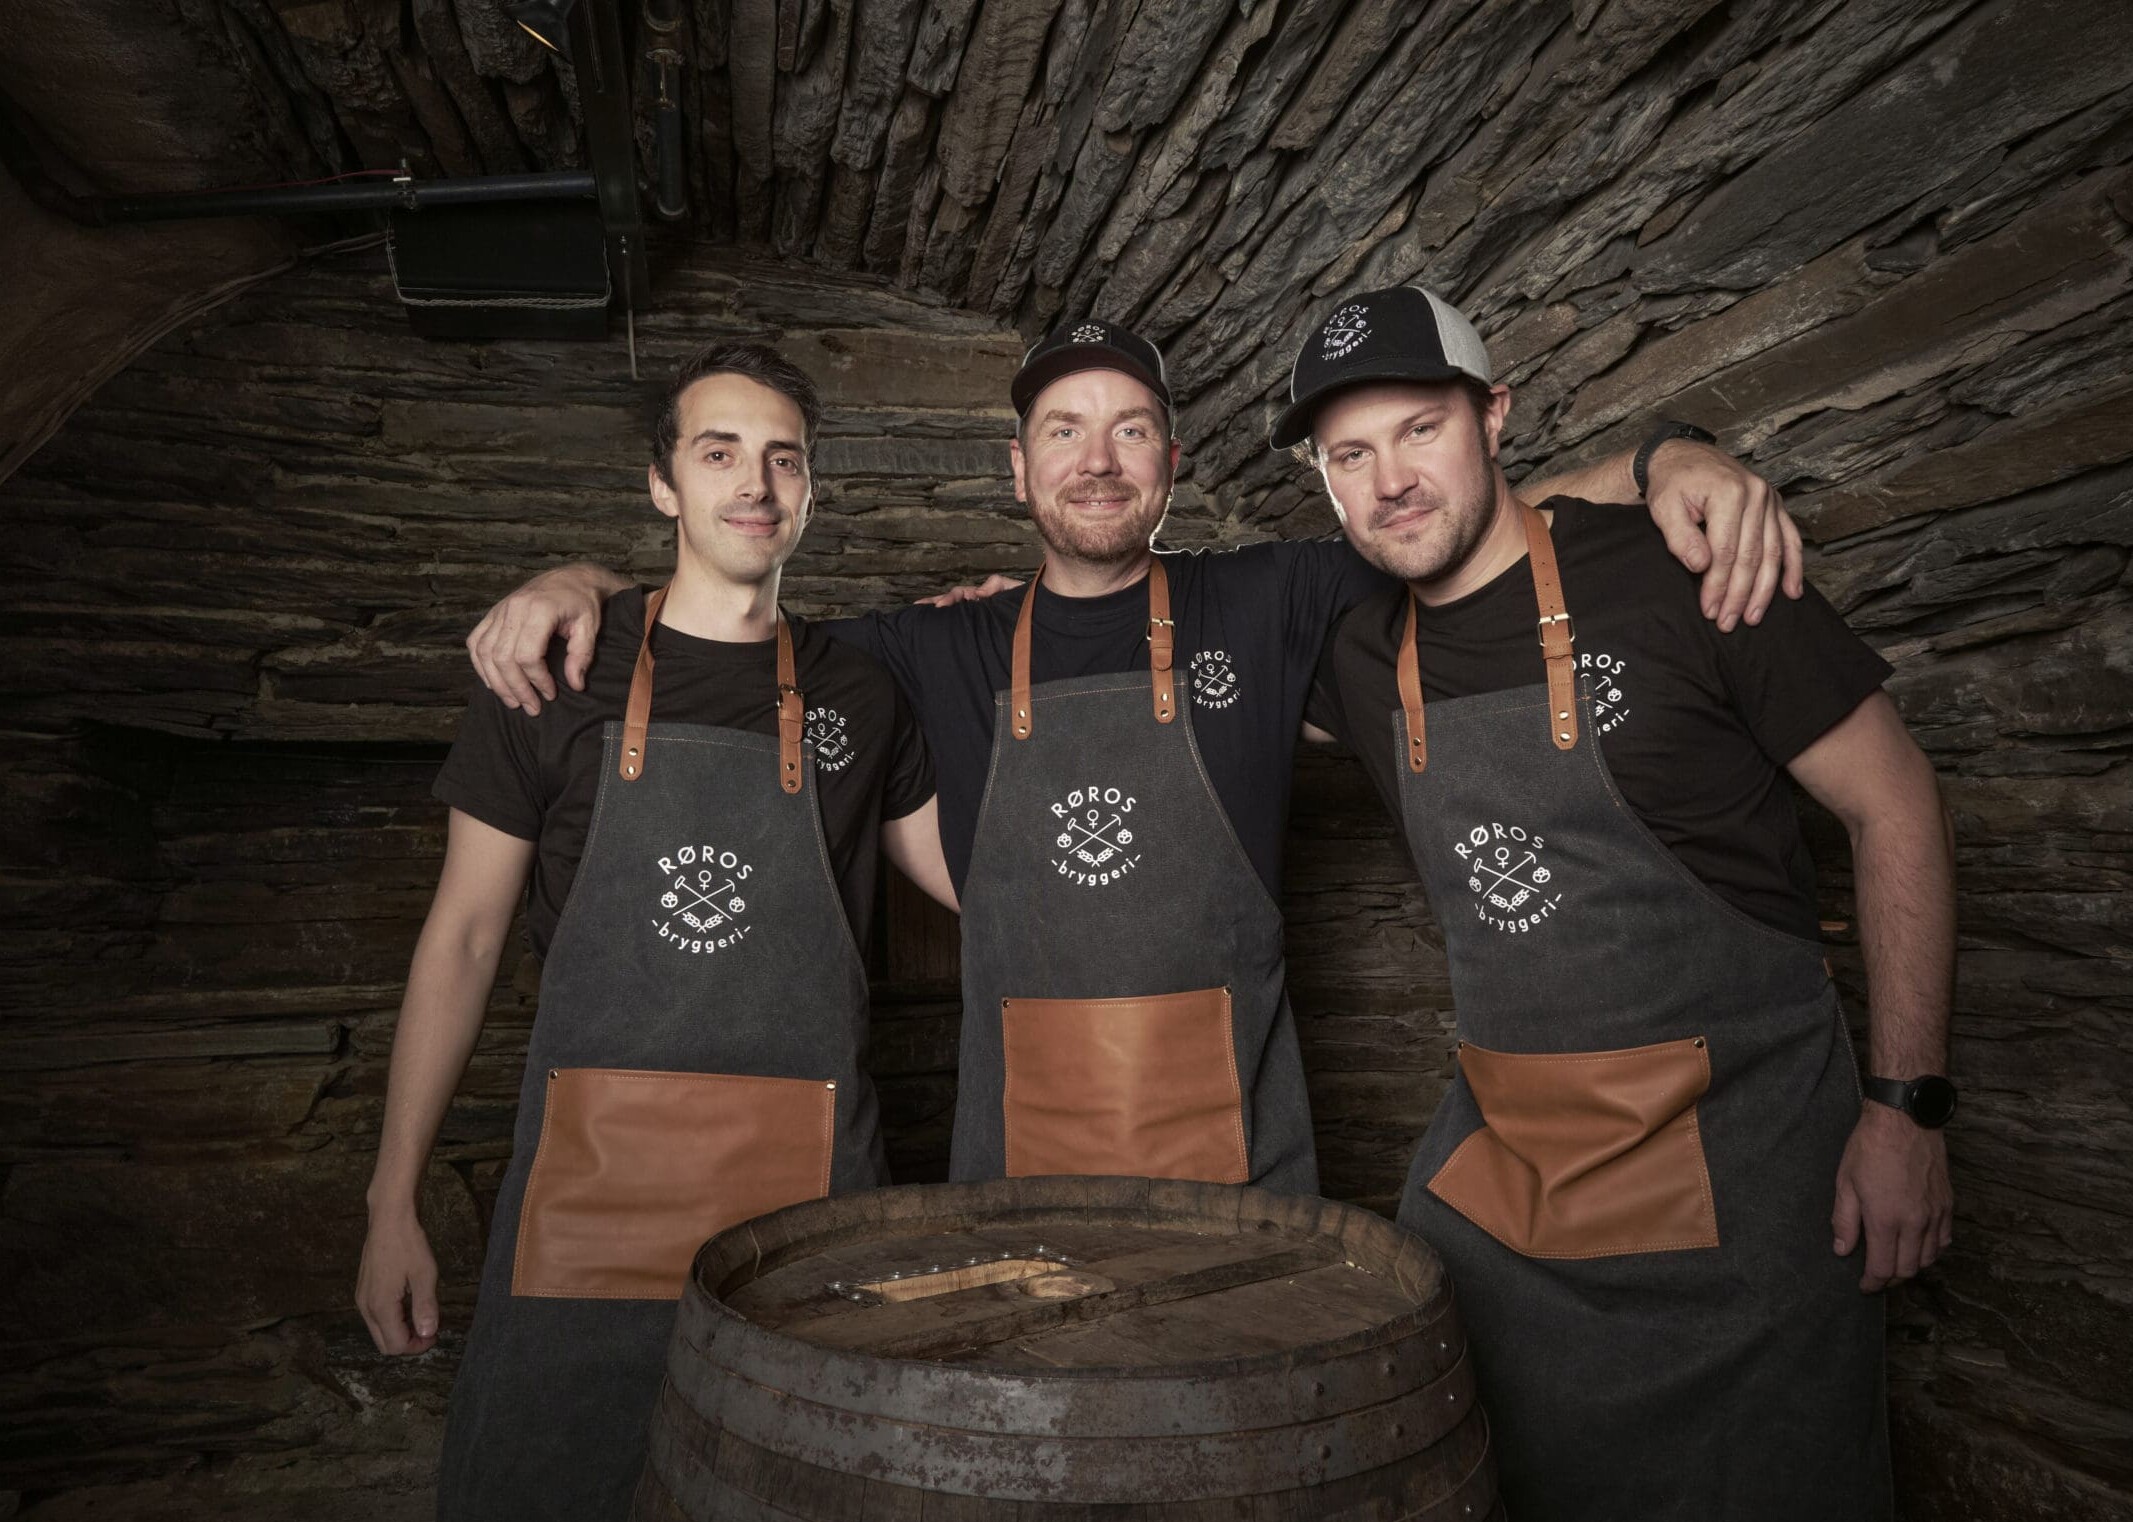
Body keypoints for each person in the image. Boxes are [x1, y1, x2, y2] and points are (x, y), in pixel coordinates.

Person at [464, 321, 1805, 1194]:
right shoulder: (928, 651)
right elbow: (727, 618)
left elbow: (1459, 521)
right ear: (1017, 468)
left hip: (1241, 1157)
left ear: (1170, 461)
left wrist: (1669, 459)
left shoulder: (1271, 601)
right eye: (1063, 430)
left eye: (1127, 430)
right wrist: (579, 581)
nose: (1095, 461)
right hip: (1019, 1163)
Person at [1286, 286, 1957, 1522]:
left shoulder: (1683, 574)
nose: (1388, 478)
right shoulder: (1356, 649)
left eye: (1419, 428)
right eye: (1347, 454)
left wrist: (1905, 1112)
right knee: (1421, 1489)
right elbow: (1145, 630)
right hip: (1512, 1161)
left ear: (1496, 420)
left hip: (1754, 1152)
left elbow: (1894, 806)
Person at [354, 342, 950, 1522]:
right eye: (719, 451)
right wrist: (392, 1201)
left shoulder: (860, 690)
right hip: (587, 1202)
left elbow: (983, 889)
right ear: (660, 484)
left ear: (811, 491)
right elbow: (459, 941)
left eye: (784, 455)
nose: (757, 482)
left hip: (808, 1207)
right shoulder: (552, 673)